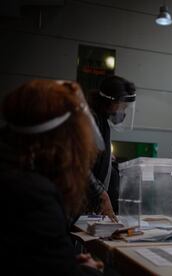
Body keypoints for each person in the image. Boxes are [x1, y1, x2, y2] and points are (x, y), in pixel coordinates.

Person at [0, 80, 104, 275]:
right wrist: (88, 270)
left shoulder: (12, 172)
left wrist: (66, 262)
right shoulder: (31, 194)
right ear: (66, 138)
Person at [86, 75, 136, 221]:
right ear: (110, 101)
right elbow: (80, 167)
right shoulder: (91, 120)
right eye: (122, 106)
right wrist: (101, 194)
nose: (124, 111)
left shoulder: (102, 121)